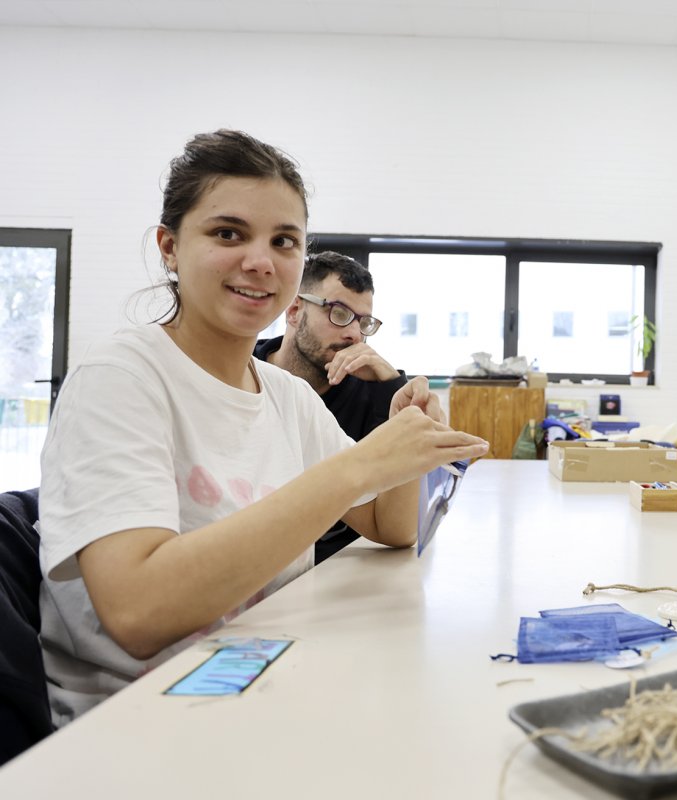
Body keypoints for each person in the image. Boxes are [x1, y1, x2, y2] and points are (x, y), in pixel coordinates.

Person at [37, 130, 489, 725]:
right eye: (228, 233)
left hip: (267, 683)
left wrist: (399, 437)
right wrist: (363, 463)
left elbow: (389, 527)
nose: (260, 261)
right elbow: (139, 613)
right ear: (169, 247)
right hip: (142, 721)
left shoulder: (286, 395)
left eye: (284, 241)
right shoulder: (120, 377)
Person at [255, 250, 409, 562]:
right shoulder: (246, 376)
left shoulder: (376, 392)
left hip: (337, 572)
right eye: (339, 313)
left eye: (364, 322)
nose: (354, 333)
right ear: (295, 309)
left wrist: (394, 387)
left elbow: (396, 522)